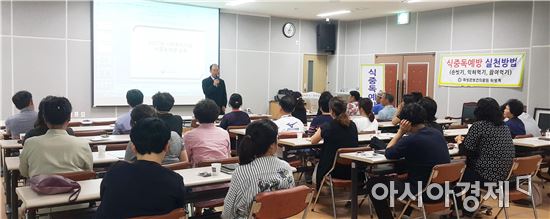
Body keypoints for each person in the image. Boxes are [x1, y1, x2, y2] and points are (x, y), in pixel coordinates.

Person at [366, 103, 450, 219]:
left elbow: (388, 153)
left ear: (405, 122)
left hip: (422, 192)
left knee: (374, 183)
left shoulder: (411, 139)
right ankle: (405, 214)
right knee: (409, 175)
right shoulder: (437, 133)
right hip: (444, 191)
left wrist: (400, 132)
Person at [96, 118, 186, 218]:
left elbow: (103, 197)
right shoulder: (175, 180)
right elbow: (178, 210)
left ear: (133, 148)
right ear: (167, 147)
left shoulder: (115, 171)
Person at [222, 120, 295, 219]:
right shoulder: (286, 167)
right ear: (272, 145)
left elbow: (227, 212)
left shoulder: (242, 172)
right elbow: (289, 200)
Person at [455, 97, 515, 217]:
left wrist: (459, 141)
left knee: (455, 175)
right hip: (506, 176)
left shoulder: (479, 126)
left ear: (479, 111)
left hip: (487, 176)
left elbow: (465, 150)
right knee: (472, 170)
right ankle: (470, 208)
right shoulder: (504, 126)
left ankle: (458, 209)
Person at [19, 97, 92, 178]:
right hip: (76, 189)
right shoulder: (82, 144)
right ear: (69, 118)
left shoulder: (30, 143)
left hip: (40, 189)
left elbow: (24, 172)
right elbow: (88, 171)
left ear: (45, 119)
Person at [310, 97, 358, 188]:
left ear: (331, 111)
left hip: (331, 169)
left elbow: (313, 141)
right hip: (351, 169)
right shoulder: (353, 125)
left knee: (316, 167)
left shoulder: (327, 126)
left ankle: (316, 194)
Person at [184, 99, 231, 165]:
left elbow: (186, 160)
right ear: (217, 115)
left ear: (196, 116)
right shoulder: (224, 133)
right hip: (222, 171)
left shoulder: (188, 136)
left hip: (198, 172)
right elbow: (228, 155)